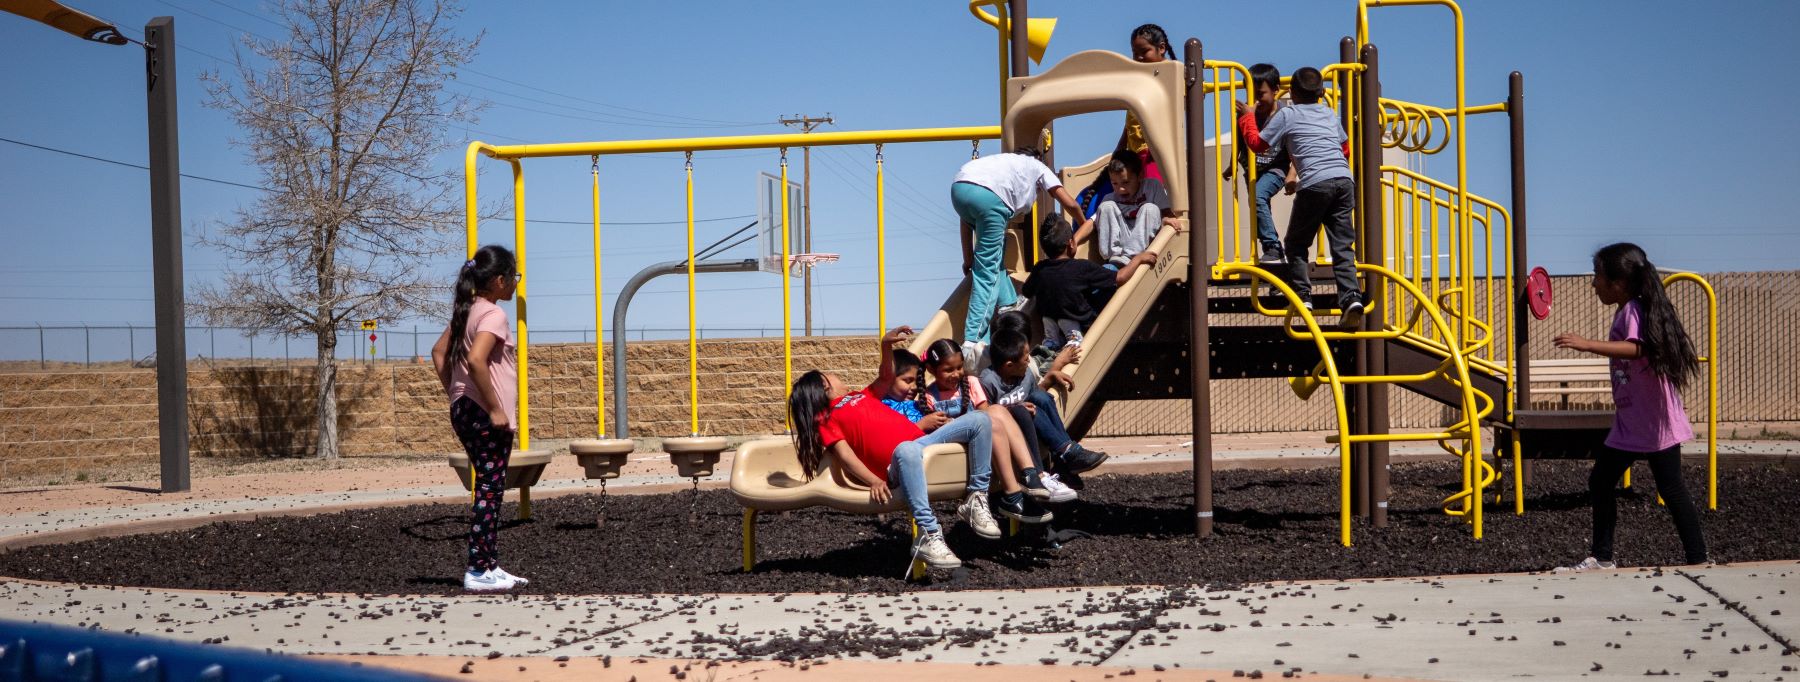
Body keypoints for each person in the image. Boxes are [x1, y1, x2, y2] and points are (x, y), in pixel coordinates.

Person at [786, 327, 1018, 572]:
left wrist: (886, 346)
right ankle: (928, 533)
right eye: (829, 374)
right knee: (906, 449)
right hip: (896, 464)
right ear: (823, 385)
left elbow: (886, 378)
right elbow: (844, 455)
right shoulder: (826, 419)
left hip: (922, 444)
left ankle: (976, 497)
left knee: (982, 421)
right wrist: (873, 481)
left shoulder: (859, 395)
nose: (835, 375)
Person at [1552, 243, 1709, 571]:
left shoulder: (1633, 310)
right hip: (1633, 419)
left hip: (1652, 420)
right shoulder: (1632, 308)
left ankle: (1698, 559)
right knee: (1602, 481)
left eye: (1598, 277)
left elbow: (1639, 349)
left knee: (1669, 486)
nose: (1594, 283)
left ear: (1619, 283)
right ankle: (1603, 556)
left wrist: (1587, 344)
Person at [431, 245, 530, 592]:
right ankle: (477, 570)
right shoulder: (492, 315)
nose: (516, 283)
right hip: (484, 414)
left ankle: (488, 565)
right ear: (499, 280)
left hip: (465, 409)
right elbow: (475, 360)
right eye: (514, 276)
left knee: (488, 486)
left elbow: (439, 352)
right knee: (490, 488)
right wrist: (494, 408)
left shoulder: (467, 310)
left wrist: (455, 393)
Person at [1237, 66, 1364, 327]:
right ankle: (1351, 297)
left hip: (1315, 184)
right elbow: (1346, 147)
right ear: (1321, 93)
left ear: (1291, 93)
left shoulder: (1288, 114)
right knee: (1341, 245)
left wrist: (1247, 117)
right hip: (1343, 180)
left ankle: (1303, 295)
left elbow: (1257, 144)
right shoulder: (1329, 113)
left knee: (1296, 244)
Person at [952, 147, 1092, 358]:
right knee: (987, 272)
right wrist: (1084, 223)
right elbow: (1069, 202)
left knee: (995, 255)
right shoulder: (1037, 166)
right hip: (990, 198)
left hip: (959, 190)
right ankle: (972, 342)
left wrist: (968, 257)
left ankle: (1008, 303)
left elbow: (966, 220)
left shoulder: (998, 165)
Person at [920, 339, 1076, 503]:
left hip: (984, 440)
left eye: (959, 367)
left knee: (1002, 411)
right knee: (995, 413)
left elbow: (986, 415)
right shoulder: (929, 397)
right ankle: (1032, 477)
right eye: (948, 370)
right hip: (959, 447)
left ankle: (1032, 474)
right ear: (931, 369)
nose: (956, 374)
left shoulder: (971, 383)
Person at [979, 326, 1109, 489]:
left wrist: (1049, 377)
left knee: (1040, 396)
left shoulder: (1025, 374)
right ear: (1009, 366)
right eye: (1026, 359)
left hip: (1033, 425)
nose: (1029, 362)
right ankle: (1066, 456)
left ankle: (1066, 452)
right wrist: (1014, 409)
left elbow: (1035, 395)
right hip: (1011, 432)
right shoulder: (988, 381)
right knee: (1029, 411)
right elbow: (987, 414)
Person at [1081, 23, 1177, 217]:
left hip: (1156, 154)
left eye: (1145, 51)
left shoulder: (1170, 74)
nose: (1139, 57)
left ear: (1162, 48)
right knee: (1120, 194)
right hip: (1134, 156)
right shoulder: (1140, 79)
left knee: (1151, 194)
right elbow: (1130, 124)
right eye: (1135, 52)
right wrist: (1118, 150)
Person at [1027, 217, 1158, 350]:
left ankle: (1052, 341)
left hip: (1051, 321)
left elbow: (1027, 291)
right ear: (1071, 243)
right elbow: (1120, 277)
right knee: (1110, 270)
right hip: (1082, 322)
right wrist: (1138, 259)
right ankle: (1074, 338)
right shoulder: (1081, 268)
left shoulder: (1039, 268)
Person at [1228, 63, 1299, 265]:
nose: (1256, 100)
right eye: (1250, 94)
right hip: (1251, 169)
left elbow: (1294, 147)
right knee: (1258, 204)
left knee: (1258, 196)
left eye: (1261, 94)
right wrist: (1231, 163)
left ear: (1276, 89)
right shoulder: (1245, 113)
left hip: (1275, 168)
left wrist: (1292, 174)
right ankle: (1271, 252)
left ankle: (1272, 246)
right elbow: (1240, 140)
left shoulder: (1284, 115)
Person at [1082, 150, 1176, 269]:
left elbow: (1166, 212)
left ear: (1140, 176)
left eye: (1126, 182)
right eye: (1114, 183)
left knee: (1150, 208)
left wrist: (1168, 219)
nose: (1120, 189)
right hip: (1119, 251)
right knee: (1106, 207)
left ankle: (1132, 257)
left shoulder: (1152, 187)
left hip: (1143, 247)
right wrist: (1074, 241)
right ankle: (1114, 258)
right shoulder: (1110, 199)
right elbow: (1092, 222)